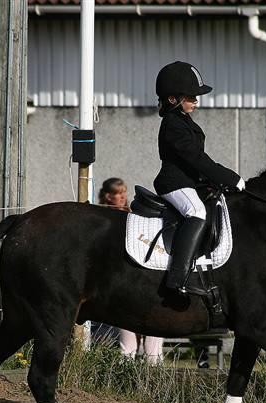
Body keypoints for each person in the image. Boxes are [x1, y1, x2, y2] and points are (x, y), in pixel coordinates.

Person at [154, 61, 245, 293]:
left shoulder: (183, 121)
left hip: (189, 182)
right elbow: (195, 158)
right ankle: (177, 278)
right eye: (191, 97)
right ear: (173, 100)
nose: (196, 101)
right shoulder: (173, 125)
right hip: (175, 183)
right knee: (196, 212)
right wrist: (229, 177)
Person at [97, 177, 164, 364]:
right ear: (108, 196)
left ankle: (153, 374)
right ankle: (125, 375)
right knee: (127, 344)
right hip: (121, 284)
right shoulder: (102, 217)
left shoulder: (133, 215)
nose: (122, 197)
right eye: (118, 193)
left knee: (153, 340)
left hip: (140, 279)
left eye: (123, 192)